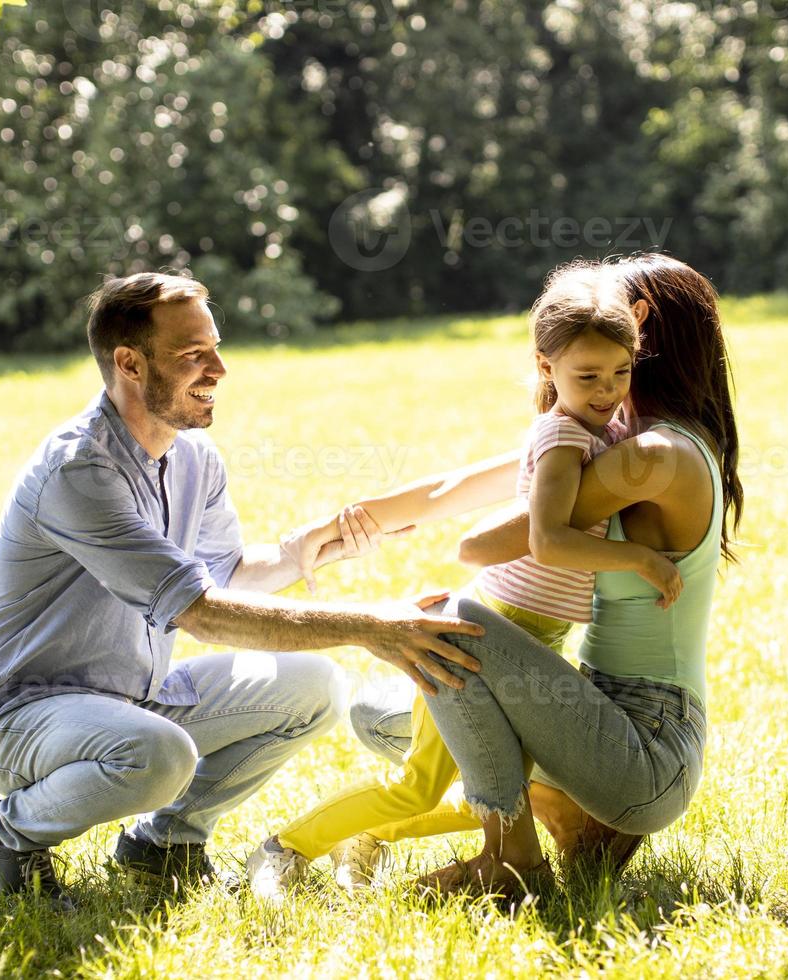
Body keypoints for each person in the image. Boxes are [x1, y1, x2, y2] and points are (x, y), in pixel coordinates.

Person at [0, 272, 485, 910]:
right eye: (193, 355)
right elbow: (203, 613)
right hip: (24, 716)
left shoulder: (191, 457)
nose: (220, 368)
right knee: (159, 755)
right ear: (129, 363)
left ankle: (165, 844)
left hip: (134, 696)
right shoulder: (80, 471)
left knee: (311, 687)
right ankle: (13, 834)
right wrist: (372, 625)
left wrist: (304, 548)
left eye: (215, 346)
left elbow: (225, 575)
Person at [243, 262, 684, 901]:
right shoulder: (564, 435)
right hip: (480, 634)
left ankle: (370, 840)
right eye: (587, 376)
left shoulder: (602, 427)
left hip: (525, 641)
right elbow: (546, 539)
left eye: (620, 372)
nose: (607, 390)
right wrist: (643, 562)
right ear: (545, 368)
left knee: (505, 783)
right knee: (421, 785)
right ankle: (285, 848)